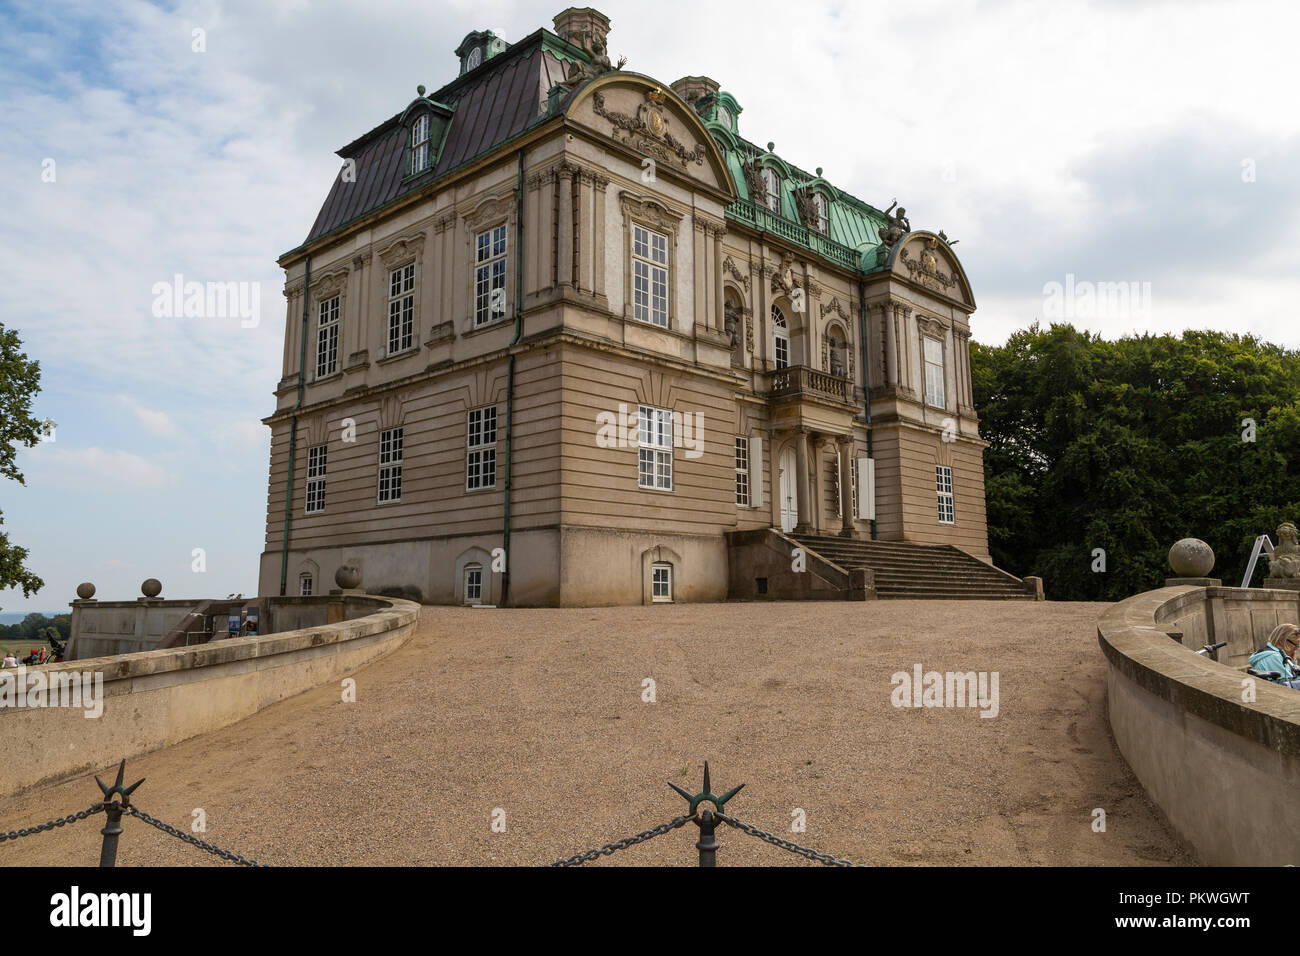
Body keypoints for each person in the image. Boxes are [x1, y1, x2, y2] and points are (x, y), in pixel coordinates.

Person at [1248, 623, 1300, 689]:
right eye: (1295, 645)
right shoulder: (1273, 657)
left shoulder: (1281, 655)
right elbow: (1288, 685)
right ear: (1282, 640)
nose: (1297, 648)